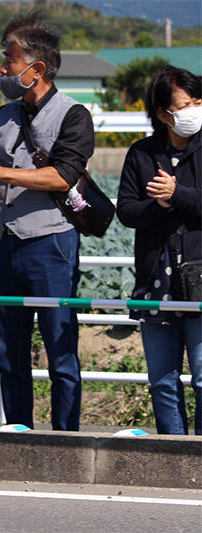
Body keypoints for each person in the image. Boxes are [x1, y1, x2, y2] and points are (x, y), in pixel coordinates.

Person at [0, 12, 94, 431]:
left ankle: (66, 437)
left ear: (37, 69)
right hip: (5, 242)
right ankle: (17, 433)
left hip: (51, 243)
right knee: (9, 350)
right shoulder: (1, 116)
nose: (3, 69)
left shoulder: (74, 115)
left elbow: (63, 176)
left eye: (10, 60)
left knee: (60, 348)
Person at [116, 66, 202, 435]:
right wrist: (160, 206)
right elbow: (126, 210)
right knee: (163, 381)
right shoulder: (142, 154)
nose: (195, 110)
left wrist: (176, 194)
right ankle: (172, 451)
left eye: (198, 102)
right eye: (186, 105)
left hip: (200, 281)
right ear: (164, 113)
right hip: (156, 282)